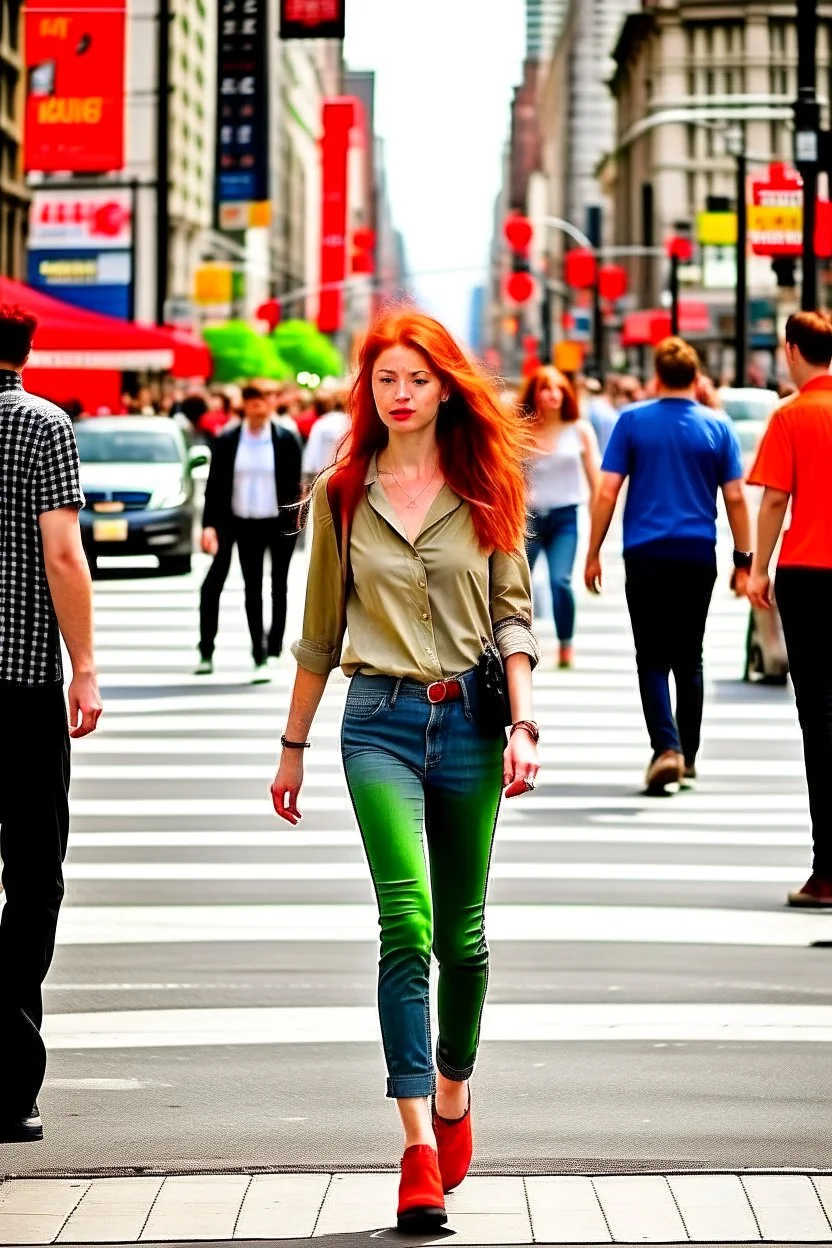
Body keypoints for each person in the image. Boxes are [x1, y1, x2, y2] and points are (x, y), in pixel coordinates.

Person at [270, 309, 540, 1232]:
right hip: (376, 723)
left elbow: (512, 613)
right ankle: (417, 1144)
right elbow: (317, 634)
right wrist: (292, 749)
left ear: (445, 386)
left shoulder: (487, 482)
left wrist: (524, 721)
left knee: (463, 937)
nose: (400, 393)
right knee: (407, 921)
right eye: (386, 379)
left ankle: (456, 1089)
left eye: (417, 379)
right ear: (369, 391)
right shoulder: (344, 493)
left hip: (471, 719)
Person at [0, 305, 102, 1142]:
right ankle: (9, 1080)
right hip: (22, 683)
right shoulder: (42, 425)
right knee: (31, 879)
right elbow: (63, 553)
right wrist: (87, 667)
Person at [584, 336, 751, 794]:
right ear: (696, 379)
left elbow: (606, 490)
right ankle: (688, 757)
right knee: (689, 656)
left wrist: (594, 550)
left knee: (651, 656)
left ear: (657, 377)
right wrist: (744, 560)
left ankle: (667, 748)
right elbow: (735, 496)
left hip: (646, 552)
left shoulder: (633, 421)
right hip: (697, 552)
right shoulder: (718, 426)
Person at [747, 312, 832, 907]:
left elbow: (775, 497)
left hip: (809, 575)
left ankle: (826, 869)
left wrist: (757, 568)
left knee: (818, 719)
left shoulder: (793, 414)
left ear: (792, 351)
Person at [197, 382, 302, 682]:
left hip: (279, 522)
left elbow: (297, 484)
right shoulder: (229, 439)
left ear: (273, 403)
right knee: (252, 586)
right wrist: (209, 525)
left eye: (266, 398)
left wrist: (298, 518)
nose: (259, 405)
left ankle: (273, 648)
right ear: (244, 403)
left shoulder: (285, 439)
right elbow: (214, 486)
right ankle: (258, 652)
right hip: (243, 522)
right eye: (253, 399)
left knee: (278, 585)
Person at [520, 366, 600, 670]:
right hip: (527, 519)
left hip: (566, 517)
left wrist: (598, 530)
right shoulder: (521, 428)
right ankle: (519, 646)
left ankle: (566, 645)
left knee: (561, 582)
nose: (552, 394)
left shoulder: (579, 430)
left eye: (557, 388)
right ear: (534, 394)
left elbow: (597, 482)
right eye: (544, 387)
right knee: (519, 586)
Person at [301, 386, 350, 489]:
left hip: (323, 479)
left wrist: (306, 486)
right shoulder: (353, 423)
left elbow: (311, 457)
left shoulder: (322, 423)